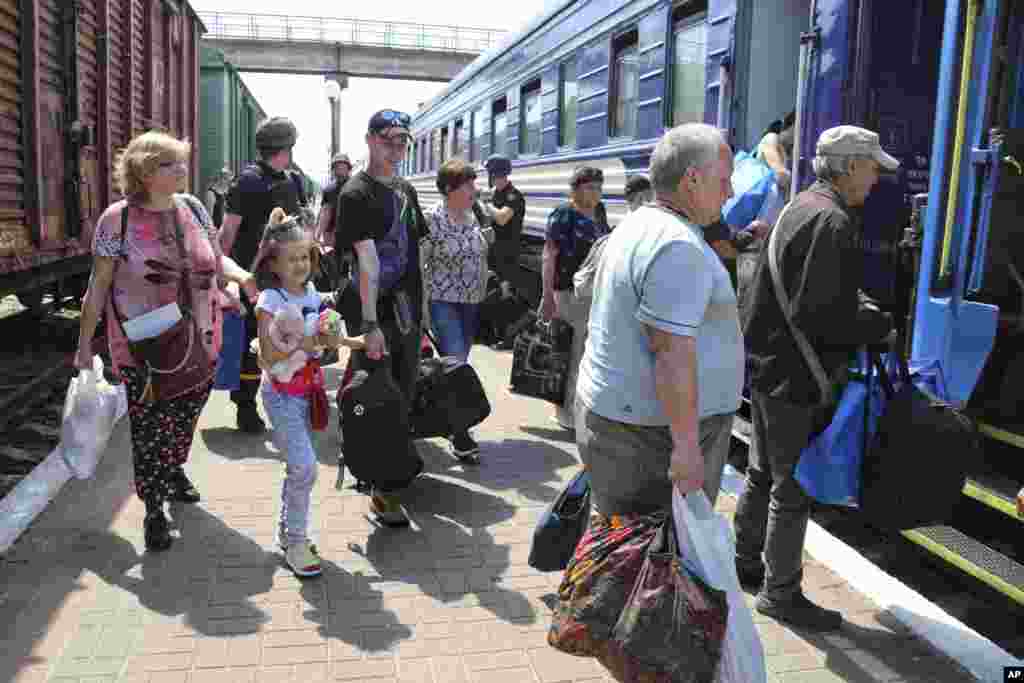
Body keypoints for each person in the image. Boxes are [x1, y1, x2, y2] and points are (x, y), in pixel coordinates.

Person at [733, 125, 899, 631]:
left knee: (762, 472)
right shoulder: (833, 220)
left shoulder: (799, 206)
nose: (875, 179)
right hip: (796, 376)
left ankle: (744, 562)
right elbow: (823, 315)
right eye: (872, 168)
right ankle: (780, 593)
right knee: (791, 488)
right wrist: (878, 325)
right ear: (850, 167)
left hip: (768, 368)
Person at [73, 131, 257, 551]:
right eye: (170, 164)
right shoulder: (117, 219)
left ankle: (173, 469)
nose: (182, 170)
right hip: (143, 347)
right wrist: (84, 344)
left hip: (202, 338)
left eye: (181, 161)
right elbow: (98, 285)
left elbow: (216, 259)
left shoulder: (193, 208)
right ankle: (154, 507)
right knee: (150, 428)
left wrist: (241, 278)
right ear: (144, 172)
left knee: (186, 415)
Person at [575, 122, 742, 520]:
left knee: (622, 540)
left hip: (623, 424)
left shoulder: (637, 224)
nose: (731, 192)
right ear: (692, 180)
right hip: (650, 441)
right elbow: (670, 353)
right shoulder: (677, 246)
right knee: (654, 550)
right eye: (724, 180)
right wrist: (686, 449)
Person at [251, 209, 359, 577]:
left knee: (299, 470)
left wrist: (351, 340)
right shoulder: (270, 300)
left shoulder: (313, 294)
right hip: (281, 394)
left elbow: (326, 338)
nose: (300, 264)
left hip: (309, 392)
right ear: (274, 264)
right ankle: (296, 541)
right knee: (305, 468)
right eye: (291, 259)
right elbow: (268, 355)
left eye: (305, 257)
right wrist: (309, 343)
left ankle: (288, 534)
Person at [335, 109, 428, 527]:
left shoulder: (406, 190)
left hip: (407, 310)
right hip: (374, 312)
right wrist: (370, 325)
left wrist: (424, 315)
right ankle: (381, 489)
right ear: (370, 139)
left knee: (403, 390)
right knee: (375, 394)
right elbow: (366, 264)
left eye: (403, 140)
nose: (396, 148)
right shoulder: (356, 194)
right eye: (388, 139)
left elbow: (417, 253)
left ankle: (390, 472)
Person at [219, 117, 309, 434]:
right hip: (253, 278)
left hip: (285, 279)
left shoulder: (292, 181)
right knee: (252, 343)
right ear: (286, 148)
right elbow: (227, 233)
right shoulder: (248, 181)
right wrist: (222, 276)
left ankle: (288, 401)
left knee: (288, 341)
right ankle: (245, 406)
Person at [421, 158, 491, 463]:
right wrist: (422, 307)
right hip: (443, 299)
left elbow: (482, 254)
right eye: (468, 185)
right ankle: (460, 433)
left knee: (459, 363)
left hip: (472, 301)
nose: (474, 190)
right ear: (450, 189)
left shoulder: (475, 215)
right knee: (456, 364)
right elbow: (420, 263)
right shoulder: (432, 219)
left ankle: (451, 422)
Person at [541, 166, 611, 431]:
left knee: (589, 353)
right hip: (568, 294)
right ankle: (567, 413)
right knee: (571, 353)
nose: (596, 193)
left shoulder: (600, 212)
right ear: (575, 190)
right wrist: (547, 295)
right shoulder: (564, 214)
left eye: (599, 187)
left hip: (595, 294)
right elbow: (549, 255)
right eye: (590, 187)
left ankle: (582, 408)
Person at [479, 155, 525, 301]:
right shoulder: (494, 194)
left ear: (494, 174)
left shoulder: (513, 195)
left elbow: (502, 218)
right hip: (493, 248)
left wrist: (486, 203)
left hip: (508, 251)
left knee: (506, 294)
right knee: (493, 290)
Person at [315, 152, 353, 250]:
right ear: (333, 170)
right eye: (337, 167)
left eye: (342, 167)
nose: (339, 171)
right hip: (331, 235)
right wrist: (317, 235)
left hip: (351, 234)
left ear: (348, 169)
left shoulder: (356, 187)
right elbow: (325, 212)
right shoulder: (329, 190)